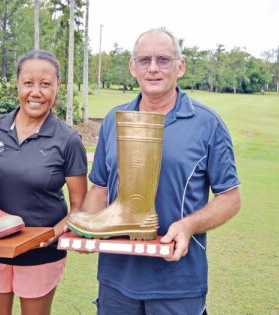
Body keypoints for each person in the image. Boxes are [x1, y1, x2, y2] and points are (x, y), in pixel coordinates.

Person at [79, 28, 241, 314]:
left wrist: (188, 226)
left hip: (178, 281)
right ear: (133, 67)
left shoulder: (208, 123)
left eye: (163, 59)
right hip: (116, 277)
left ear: (180, 67)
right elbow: (100, 188)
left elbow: (230, 198)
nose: (153, 68)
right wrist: (87, 228)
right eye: (144, 60)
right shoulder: (113, 121)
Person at [0, 50, 87, 315]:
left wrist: (53, 234)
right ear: (18, 84)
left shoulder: (68, 141)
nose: (36, 92)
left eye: (45, 84)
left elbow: (80, 206)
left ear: (57, 86)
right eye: (28, 83)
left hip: (40, 254)